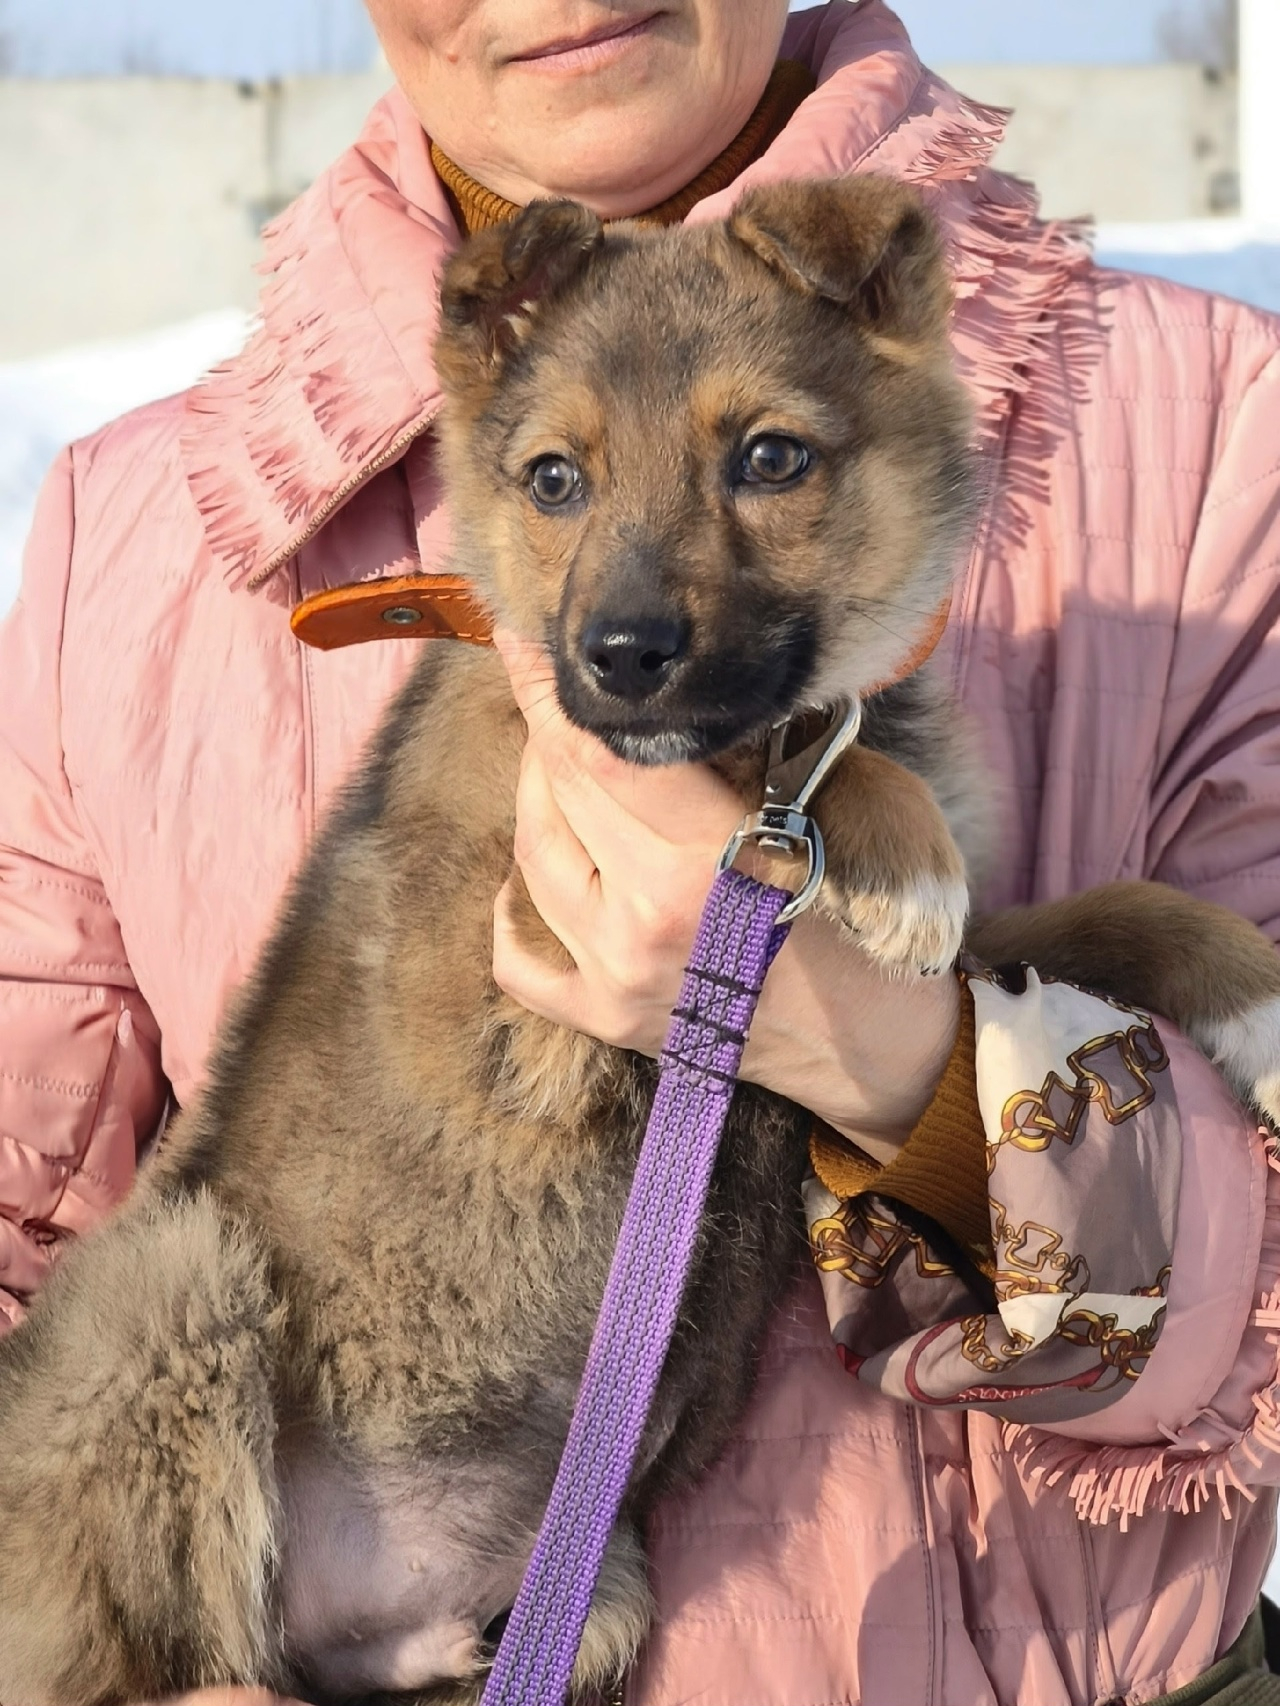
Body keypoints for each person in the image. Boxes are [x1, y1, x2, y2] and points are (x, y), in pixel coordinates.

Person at [2, 1, 1279, 1701]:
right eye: (551, 479)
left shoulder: (1209, 435)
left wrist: (891, 1055)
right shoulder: (133, 535)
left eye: (771, 463)